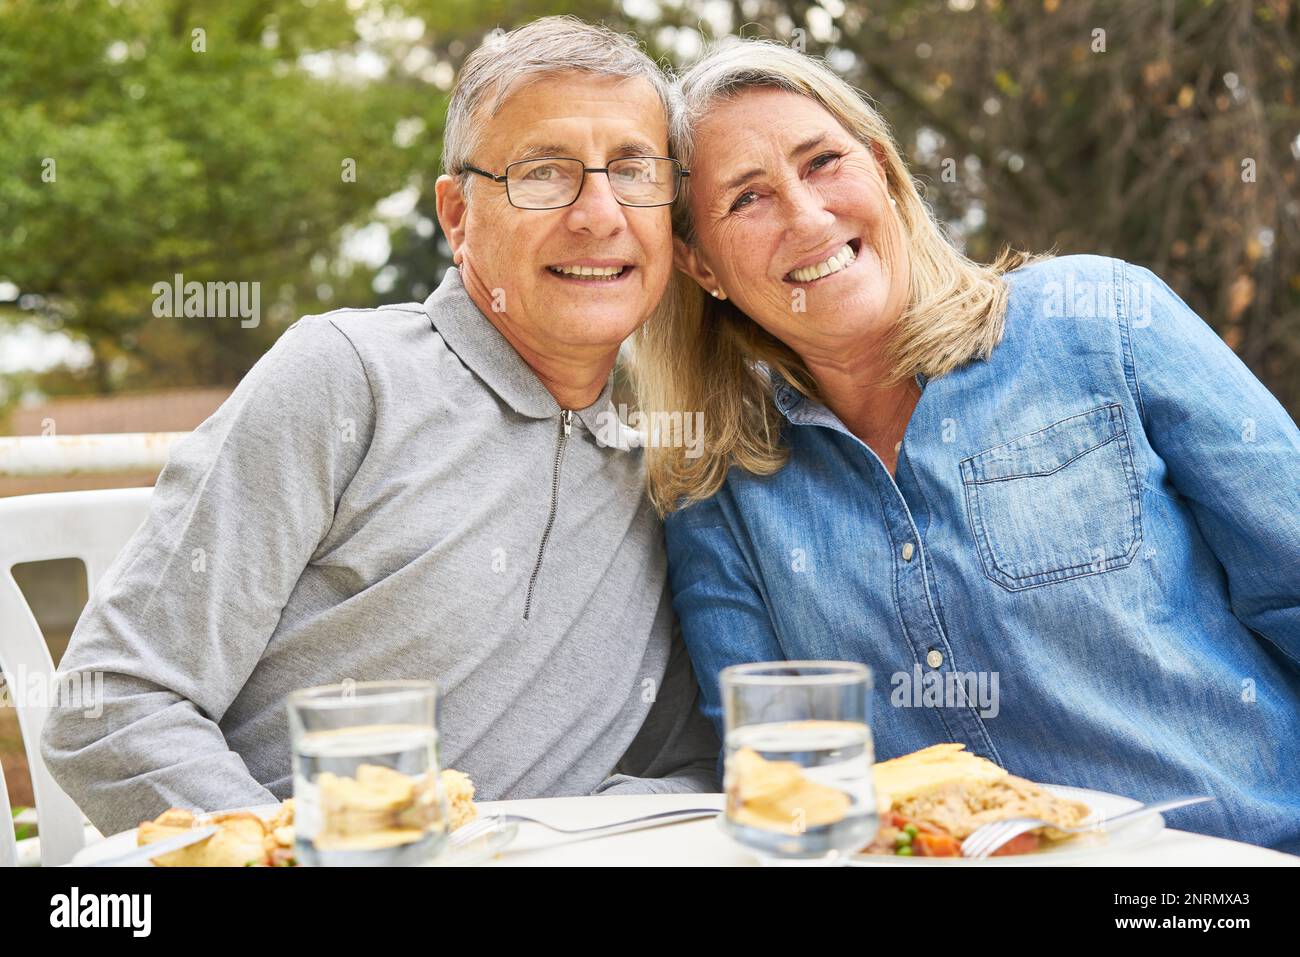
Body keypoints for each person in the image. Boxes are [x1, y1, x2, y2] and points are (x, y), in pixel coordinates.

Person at [42, 16, 719, 838]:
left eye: (633, 170)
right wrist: (292, 857)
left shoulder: (673, 445)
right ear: (458, 215)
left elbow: (686, 764)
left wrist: (569, 837)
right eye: (544, 173)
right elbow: (109, 705)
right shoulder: (345, 376)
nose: (598, 213)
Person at [634, 38, 1300, 853]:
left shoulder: (1104, 322)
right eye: (747, 198)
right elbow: (783, 785)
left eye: (823, 163)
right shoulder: (719, 489)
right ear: (700, 263)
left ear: (881, 168)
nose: (808, 216)